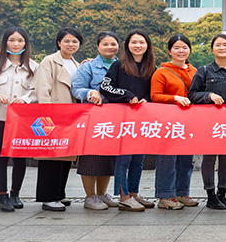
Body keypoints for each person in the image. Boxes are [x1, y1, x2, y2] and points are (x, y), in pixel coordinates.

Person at [0, 26, 38, 212]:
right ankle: (2, 196)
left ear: (25, 43)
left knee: (20, 157)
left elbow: (37, 91)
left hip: (22, 118)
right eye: (12, 40)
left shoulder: (34, 67)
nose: (16, 44)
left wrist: (26, 99)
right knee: (1, 156)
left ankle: (15, 194)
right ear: (5, 42)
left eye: (20, 40)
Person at [101, 30, 157, 212]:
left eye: (142, 42)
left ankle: (134, 193)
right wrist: (127, 95)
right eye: (134, 42)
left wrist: (146, 100)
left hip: (143, 119)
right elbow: (105, 87)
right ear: (127, 46)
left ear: (147, 46)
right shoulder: (119, 65)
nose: (138, 46)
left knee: (138, 159)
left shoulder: (152, 68)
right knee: (123, 158)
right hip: (123, 120)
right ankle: (123, 196)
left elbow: (154, 92)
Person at [189, 33, 226, 210]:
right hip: (209, 121)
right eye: (217, 45)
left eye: (225, 45)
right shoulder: (204, 71)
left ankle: (222, 193)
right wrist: (209, 95)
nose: (221, 48)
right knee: (209, 157)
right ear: (212, 50)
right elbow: (192, 94)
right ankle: (210, 195)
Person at [70, 31, 121, 211]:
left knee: (108, 158)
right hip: (93, 119)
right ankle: (90, 196)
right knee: (91, 158)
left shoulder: (123, 66)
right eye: (105, 44)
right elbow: (76, 89)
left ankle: (102, 193)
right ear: (98, 47)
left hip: (116, 119)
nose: (110, 47)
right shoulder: (88, 67)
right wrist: (90, 92)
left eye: (113, 44)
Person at [35, 27, 83, 212]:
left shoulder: (76, 64)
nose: (71, 44)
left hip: (71, 115)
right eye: (67, 41)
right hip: (54, 114)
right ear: (59, 42)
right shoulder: (50, 61)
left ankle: (59, 193)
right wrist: (47, 114)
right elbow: (42, 89)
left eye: (75, 41)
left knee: (65, 155)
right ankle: (48, 197)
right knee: (51, 156)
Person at [151, 34, 198, 210]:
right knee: (168, 159)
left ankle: (181, 192)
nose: (181, 51)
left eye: (184, 47)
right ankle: (165, 195)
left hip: (189, 122)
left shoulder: (195, 71)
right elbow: (155, 96)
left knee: (186, 159)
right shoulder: (161, 72)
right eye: (176, 47)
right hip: (168, 121)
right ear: (169, 51)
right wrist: (175, 98)